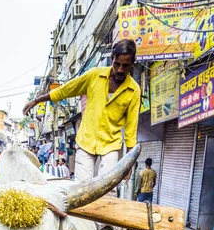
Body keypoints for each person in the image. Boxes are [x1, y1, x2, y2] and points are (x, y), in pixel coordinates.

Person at [24, 39, 140, 186]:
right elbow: (65, 90)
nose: (120, 70)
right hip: (86, 140)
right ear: (112, 58)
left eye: (126, 66)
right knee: (82, 189)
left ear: (132, 63)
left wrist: (129, 162)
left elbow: (131, 129)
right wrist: (37, 101)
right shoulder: (94, 76)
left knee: (107, 188)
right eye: (117, 64)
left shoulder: (134, 90)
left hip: (111, 144)